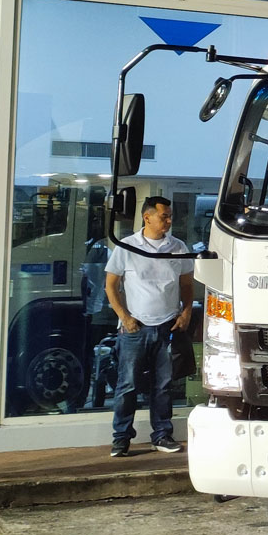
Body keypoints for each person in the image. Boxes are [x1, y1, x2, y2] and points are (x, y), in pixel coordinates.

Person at [105, 196, 194, 457]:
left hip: (168, 326)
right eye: (164, 216)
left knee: (163, 386)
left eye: (169, 216)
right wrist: (124, 316)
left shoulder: (178, 247)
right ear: (147, 218)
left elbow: (187, 285)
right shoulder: (127, 247)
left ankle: (162, 435)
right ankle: (121, 438)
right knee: (127, 386)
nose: (169, 220)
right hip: (135, 328)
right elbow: (111, 286)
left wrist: (186, 312)